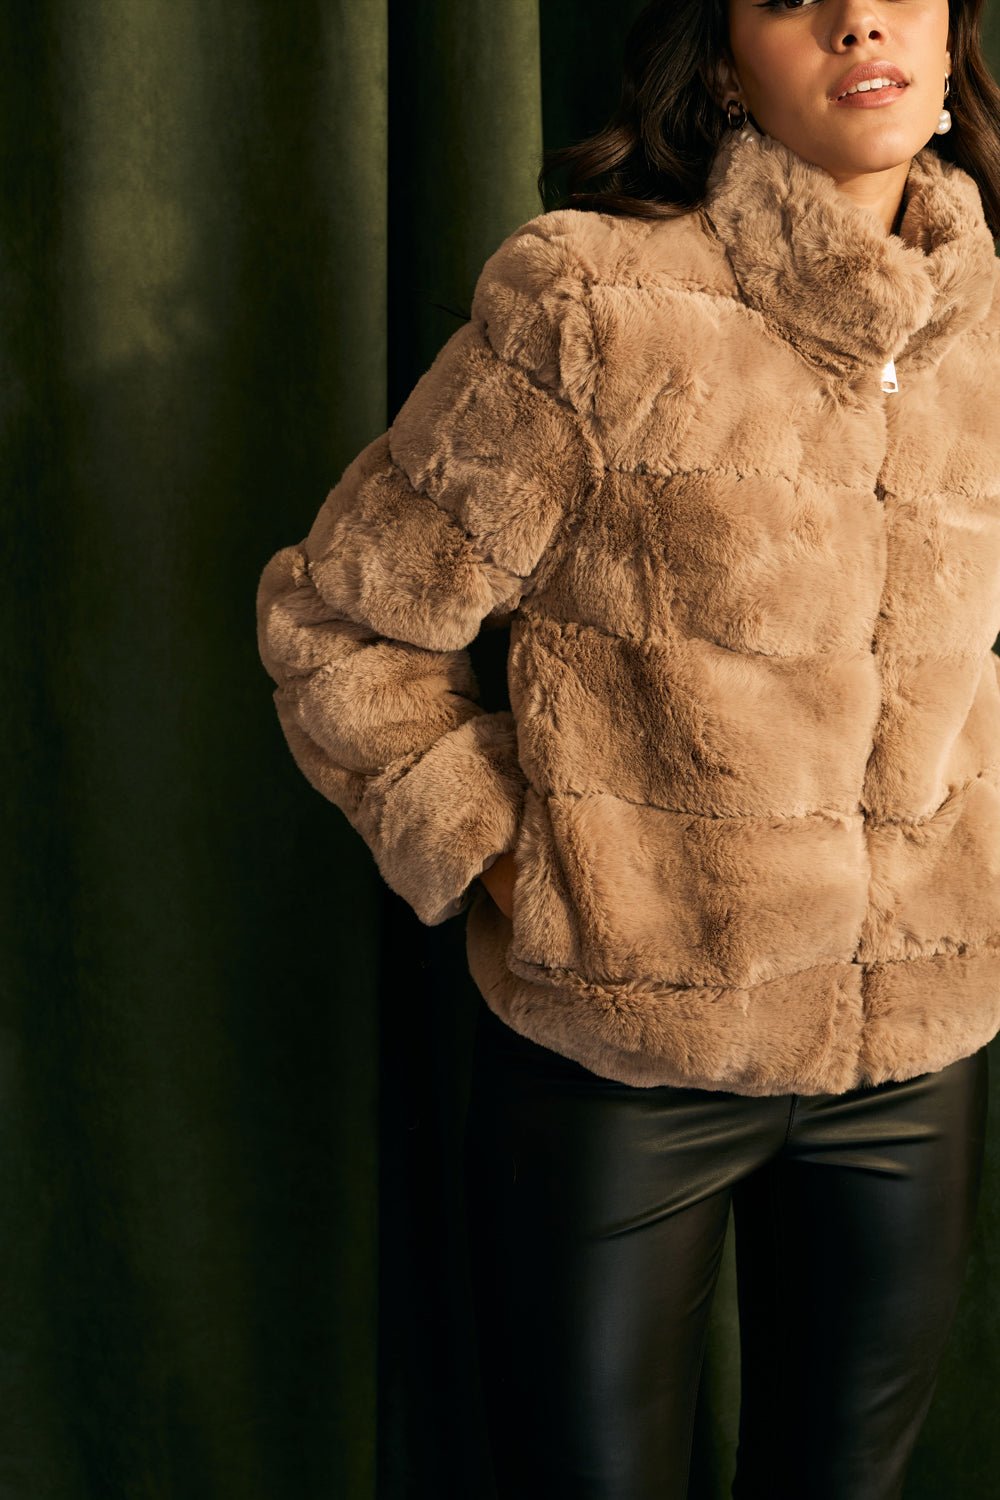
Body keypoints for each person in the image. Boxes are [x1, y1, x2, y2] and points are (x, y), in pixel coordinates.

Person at [255, 1, 1000, 1494]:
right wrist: (514, 866)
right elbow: (340, 624)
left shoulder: (988, 325)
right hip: (623, 1070)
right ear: (723, 60)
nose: (860, 16)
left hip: (915, 1061)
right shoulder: (594, 306)